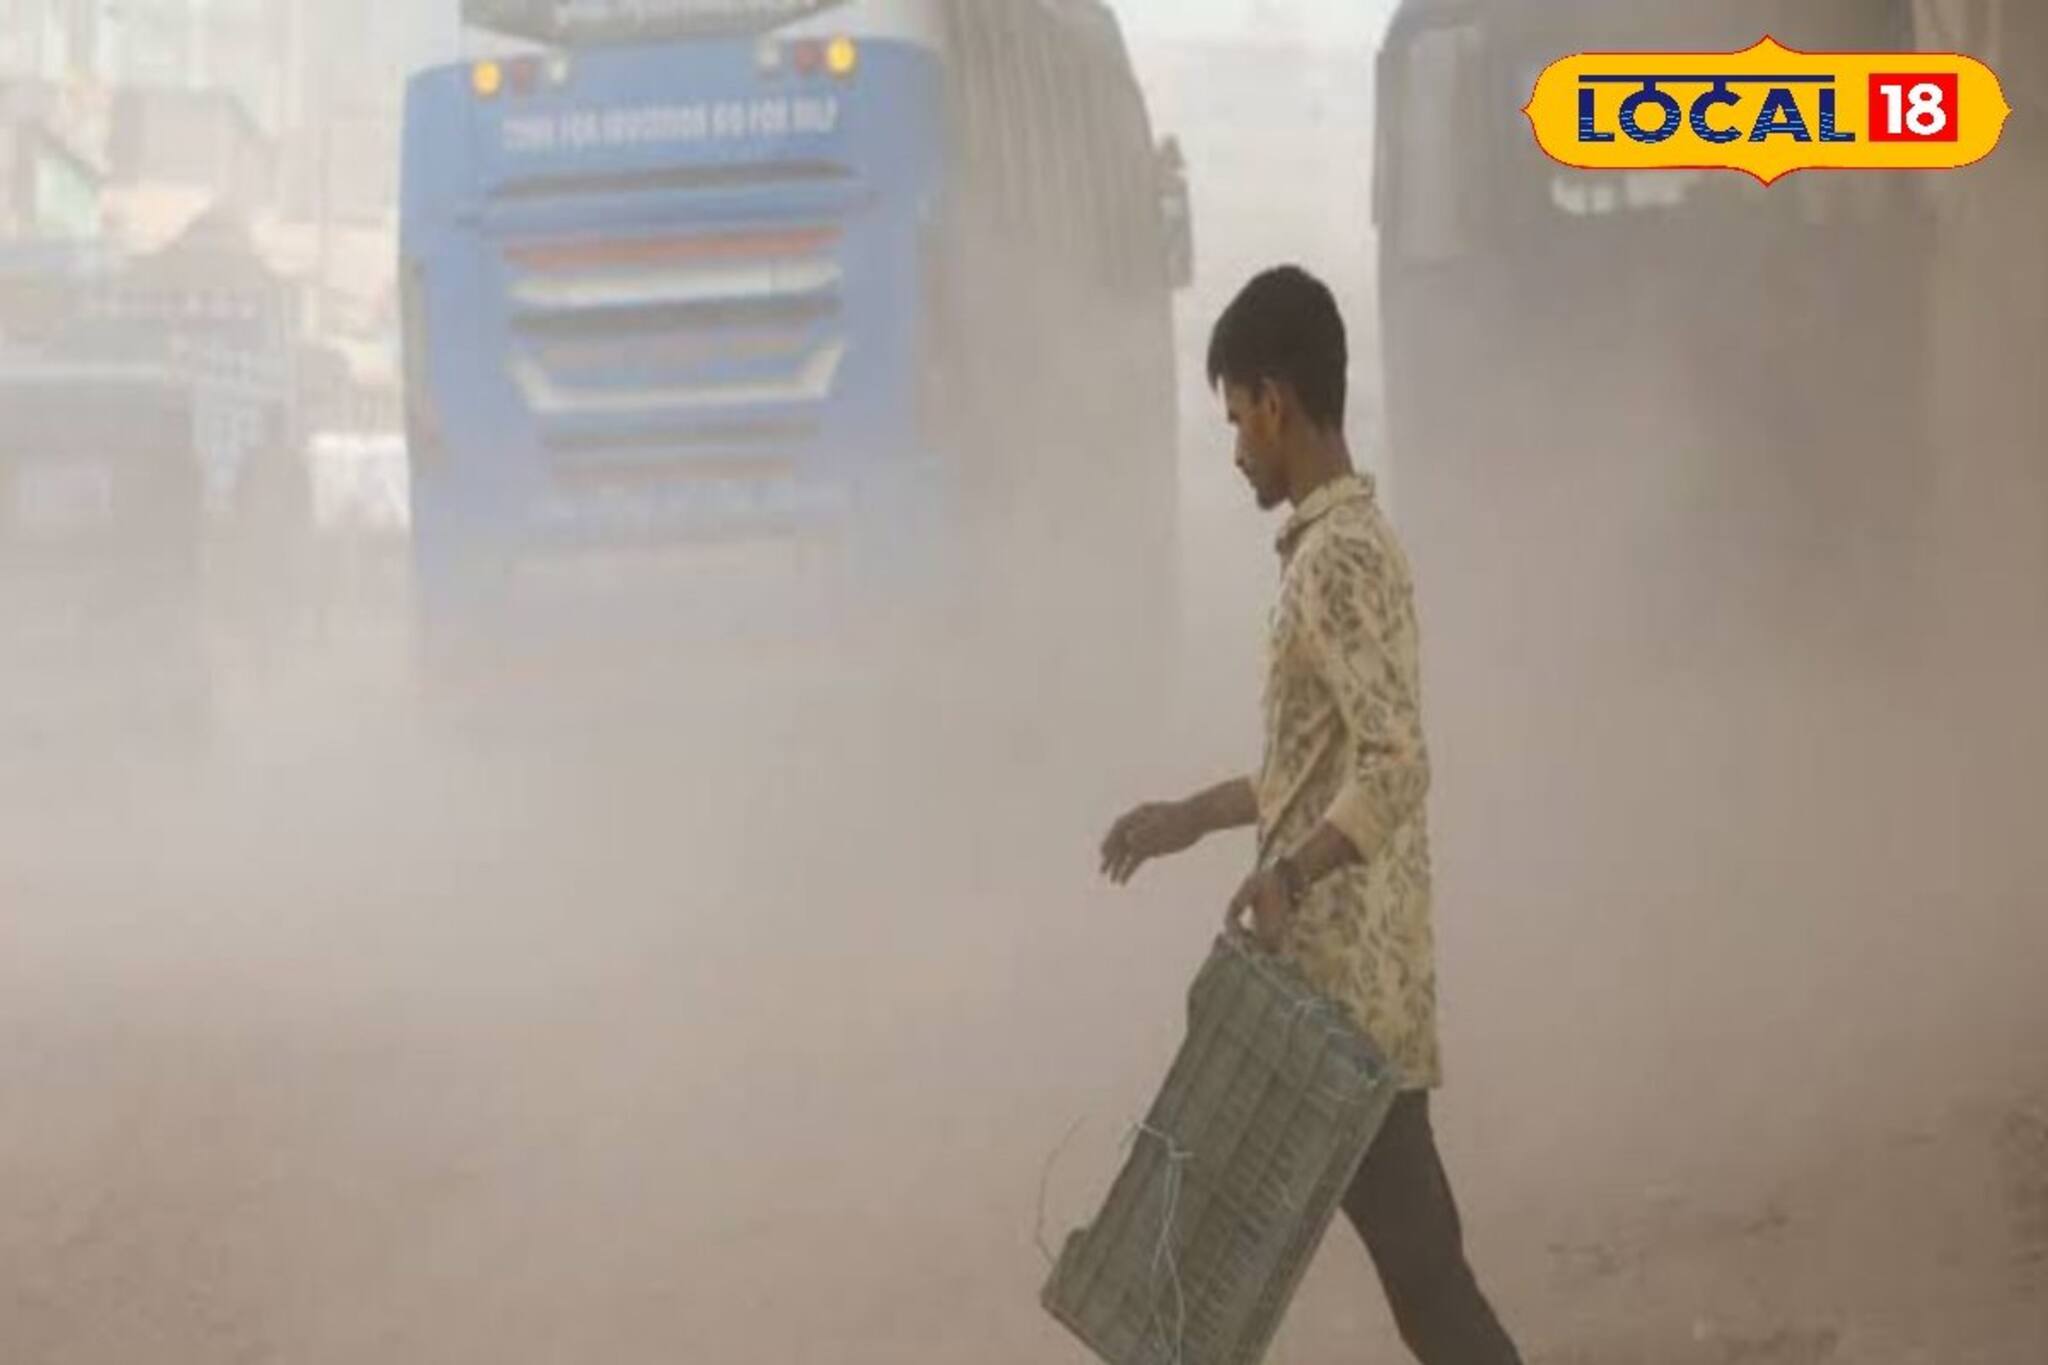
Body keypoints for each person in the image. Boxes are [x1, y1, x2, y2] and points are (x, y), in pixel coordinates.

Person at [1098, 266, 1524, 1364]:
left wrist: (1289, 876)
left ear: (1274, 400)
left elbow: (1391, 765)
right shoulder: (1338, 549)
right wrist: (1189, 817)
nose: (1235, 443)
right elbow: (1312, 770)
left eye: (1235, 415)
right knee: (1417, 1286)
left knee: (1188, 1284)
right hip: (1334, 999)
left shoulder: (1336, 561)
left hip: (1335, 1010)